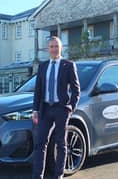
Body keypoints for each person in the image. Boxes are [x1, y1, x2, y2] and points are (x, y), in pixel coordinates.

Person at [32, 36, 80, 179]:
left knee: (61, 144)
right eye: (51, 46)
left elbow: (76, 90)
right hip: (45, 109)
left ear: (61, 48)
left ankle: (58, 175)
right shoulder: (43, 66)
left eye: (56, 46)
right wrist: (35, 110)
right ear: (48, 49)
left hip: (61, 109)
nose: (54, 49)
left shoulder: (68, 65)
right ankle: (37, 176)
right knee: (40, 143)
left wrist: (70, 107)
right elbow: (38, 90)